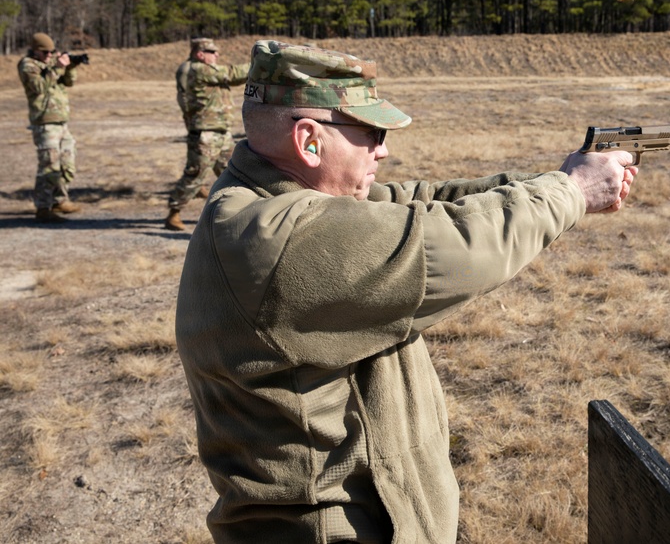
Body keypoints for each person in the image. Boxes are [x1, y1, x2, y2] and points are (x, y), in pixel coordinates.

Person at [175, 40, 639, 544]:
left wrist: (558, 177)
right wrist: (571, 192)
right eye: (372, 132)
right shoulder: (278, 236)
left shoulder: (277, 197)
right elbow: (460, 244)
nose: (384, 149)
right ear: (309, 141)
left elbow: (421, 201)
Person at [165, 37, 250, 231]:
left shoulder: (203, 70)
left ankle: (238, 211)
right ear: (200, 54)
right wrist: (261, 63)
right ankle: (173, 212)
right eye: (212, 52)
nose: (217, 55)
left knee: (235, 172)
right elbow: (233, 73)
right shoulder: (198, 69)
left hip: (221, 132)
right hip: (206, 134)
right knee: (195, 175)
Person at [17, 32, 84, 223]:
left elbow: (68, 82)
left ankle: (60, 199)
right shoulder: (27, 65)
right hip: (45, 123)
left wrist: (70, 67)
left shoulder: (50, 63)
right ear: (35, 50)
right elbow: (38, 87)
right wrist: (56, 66)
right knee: (49, 166)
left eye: (51, 52)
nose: (49, 55)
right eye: (44, 52)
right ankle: (43, 207)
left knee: (67, 165)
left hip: (62, 122)